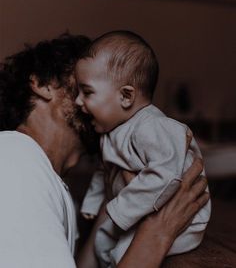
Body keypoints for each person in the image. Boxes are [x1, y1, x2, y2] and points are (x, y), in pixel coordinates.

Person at [0, 33, 209, 268]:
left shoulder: (41, 176)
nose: (83, 101)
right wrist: (156, 233)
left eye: (87, 90)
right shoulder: (14, 159)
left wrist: (110, 202)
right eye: (80, 85)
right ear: (42, 84)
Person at [76, 30, 211, 267]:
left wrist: (120, 208)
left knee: (119, 255)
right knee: (101, 243)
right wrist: (92, 203)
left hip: (183, 222)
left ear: (126, 96)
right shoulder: (111, 132)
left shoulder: (153, 127)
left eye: (86, 92)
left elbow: (167, 175)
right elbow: (104, 172)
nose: (78, 101)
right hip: (136, 211)